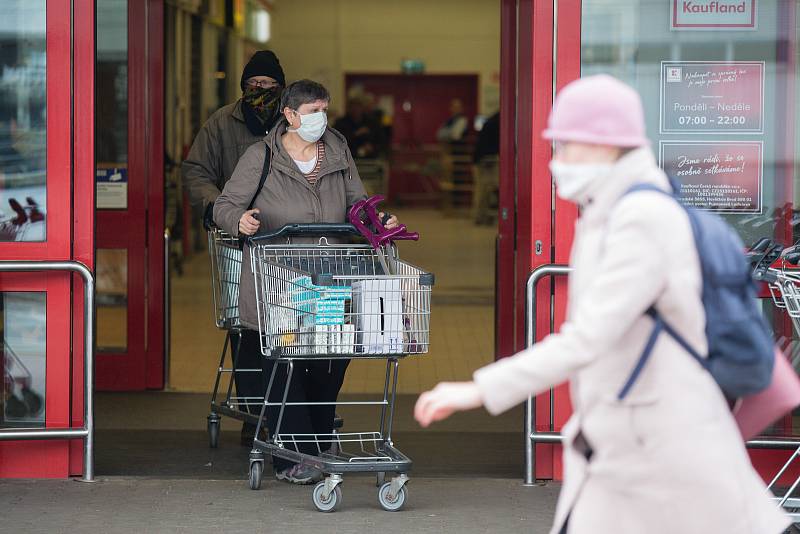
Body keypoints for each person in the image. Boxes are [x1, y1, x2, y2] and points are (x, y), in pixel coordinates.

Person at [414, 75, 788, 534]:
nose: (557, 161)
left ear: (605, 145)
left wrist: (479, 389)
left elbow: (589, 336)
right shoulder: (614, 209)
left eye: (567, 146)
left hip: (658, 442)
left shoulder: (640, 218)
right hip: (630, 437)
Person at [213, 79, 399, 484]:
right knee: (286, 364)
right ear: (291, 115)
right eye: (313, 111)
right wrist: (238, 221)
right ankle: (292, 455)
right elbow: (226, 205)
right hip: (277, 279)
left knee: (329, 360)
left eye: (324, 109)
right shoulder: (259, 156)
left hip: (328, 276)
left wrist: (377, 221)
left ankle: (316, 438)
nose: (321, 119)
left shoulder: (336, 148)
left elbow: (356, 202)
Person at [181, 50, 285, 445]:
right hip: (237, 243)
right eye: (253, 86)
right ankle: (255, 413)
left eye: (269, 87)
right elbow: (196, 170)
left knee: (291, 328)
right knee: (246, 329)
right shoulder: (221, 124)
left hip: (284, 245)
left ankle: (290, 409)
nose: (260, 93)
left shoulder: (292, 124)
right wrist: (217, 209)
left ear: (282, 90)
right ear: (243, 88)